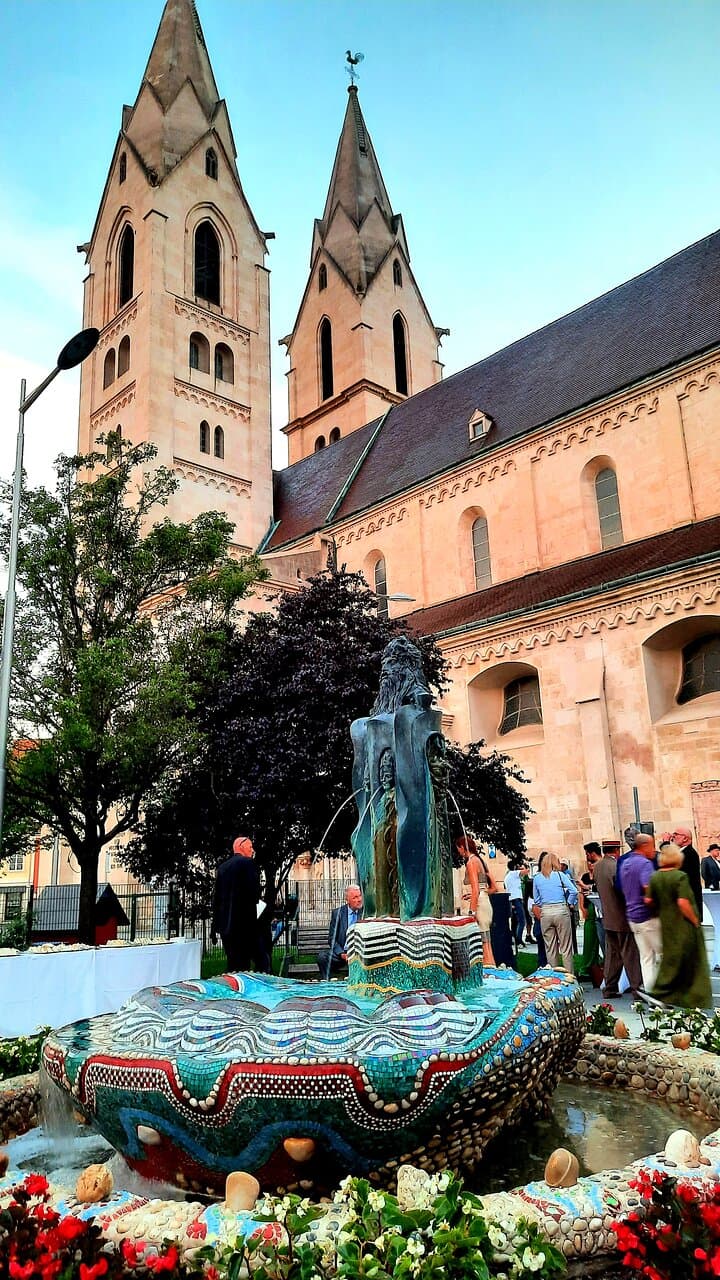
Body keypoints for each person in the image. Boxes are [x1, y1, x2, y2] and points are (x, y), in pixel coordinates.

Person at [647, 842, 711, 1009]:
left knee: (671, 958)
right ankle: (691, 997)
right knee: (691, 960)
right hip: (682, 925)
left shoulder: (655, 877)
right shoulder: (679, 876)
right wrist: (695, 920)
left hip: (666, 923)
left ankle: (664, 994)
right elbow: (683, 902)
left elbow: (648, 900)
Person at [211, 835, 270, 973]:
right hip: (246, 924)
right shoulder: (248, 863)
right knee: (262, 962)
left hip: (227, 928)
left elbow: (217, 899)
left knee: (235, 965)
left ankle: (234, 992)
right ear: (241, 847)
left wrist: (215, 926)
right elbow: (254, 893)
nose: (252, 850)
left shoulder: (222, 868)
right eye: (250, 847)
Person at [593, 837, 642, 998]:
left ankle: (609, 988)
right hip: (621, 916)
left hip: (608, 916)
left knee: (613, 955)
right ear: (617, 850)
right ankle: (637, 989)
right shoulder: (616, 866)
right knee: (630, 954)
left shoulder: (598, 866)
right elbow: (623, 890)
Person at [621, 832, 662, 993]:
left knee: (646, 957)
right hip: (647, 916)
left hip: (632, 915)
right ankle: (663, 991)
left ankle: (652, 993)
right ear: (644, 845)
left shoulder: (625, 863)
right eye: (652, 845)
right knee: (662, 953)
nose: (654, 849)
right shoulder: (645, 864)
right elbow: (648, 890)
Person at [531, 851, 577, 972]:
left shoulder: (537, 878)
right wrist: (569, 903)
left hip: (545, 911)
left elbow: (536, 900)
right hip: (561, 909)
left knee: (550, 948)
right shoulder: (561, 875)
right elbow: (574, 891)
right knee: (566, 947)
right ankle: (570, 977)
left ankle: (555, 976)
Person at [459, 835, 498, 965]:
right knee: (487, 944)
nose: (458, 852)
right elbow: (494, 888)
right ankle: (493, 971)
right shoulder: (481, 861)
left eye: (458, 849)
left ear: (463, 847)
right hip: (485, 902)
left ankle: (488, 973)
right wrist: (481, 893)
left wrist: (472, 912)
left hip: (479, 906)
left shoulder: (471, 862)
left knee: (482, 945)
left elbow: (475, 889)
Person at [318, 885, 363, 978]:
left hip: (360, 952)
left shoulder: (365, 912)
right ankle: (327, 983)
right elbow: (332, 938)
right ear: (348, 900)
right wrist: (342, 954)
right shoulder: (338, 913)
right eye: (355, 897)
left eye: (359, 896)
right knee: (322, 957)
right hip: (342, 953)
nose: (359, 899)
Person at [671, 826, 703, 917]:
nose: (673, 837)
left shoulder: (688, 854)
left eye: (676, 834)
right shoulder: (683, 853)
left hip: (688, 903)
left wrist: (665, 845)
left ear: (685, 838)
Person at [504, 861, 528, 949]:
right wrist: (523, 867)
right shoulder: (514, 873)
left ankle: (515, 938)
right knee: (522, 921)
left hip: (511, 899)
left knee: (515, 921)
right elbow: (526, 872)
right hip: (516, 899)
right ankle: (519, 940)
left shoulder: (507, 876)